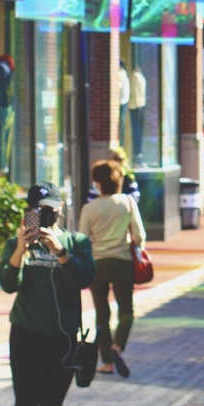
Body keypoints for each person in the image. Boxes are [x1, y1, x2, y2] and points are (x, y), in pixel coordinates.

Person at [0, 181, 96, 406]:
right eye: (37, 209)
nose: (43, 214)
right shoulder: (15, 245)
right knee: (26, 405)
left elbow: (85, 278)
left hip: (62, 339)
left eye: (48, 208)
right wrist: (21, 248)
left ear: (60, 209)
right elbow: (8, 283)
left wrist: (61, 253)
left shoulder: (76, 242)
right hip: (26, 335)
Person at [79, 160, 146, 378]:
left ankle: (106, 362)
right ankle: (118, 346)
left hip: (97, 264)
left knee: (102, 313)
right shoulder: (127, 203)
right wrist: (135, 247)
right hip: (122, 262)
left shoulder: (89, 208)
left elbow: (83, 240)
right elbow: (139, 236)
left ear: (97, 183)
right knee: (126, 311)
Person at [0, 53, 15, 176]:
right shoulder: (7, 70)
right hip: (7, 106)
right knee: (4, 138)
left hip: (1, 106)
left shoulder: (0, 68)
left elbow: (0, 90)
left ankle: (0, 167)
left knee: (0, 138)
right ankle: (2, 167)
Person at [129, 65, 147, 164]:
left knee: (138, 131)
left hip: (139, 105)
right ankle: (137, 155)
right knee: (136, 131)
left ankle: (138, 154)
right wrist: (137, 105)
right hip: (137, 106)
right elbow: (135, 91)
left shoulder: (137, 76)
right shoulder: (135, 76)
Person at [117, 60, 130, 148]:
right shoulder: (124, 75)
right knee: (122, 126)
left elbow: (120, 88)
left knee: (121, 126)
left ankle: (120, 146)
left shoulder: (120, 75)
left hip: (121, 102)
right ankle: (121, 145)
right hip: (124, 101)